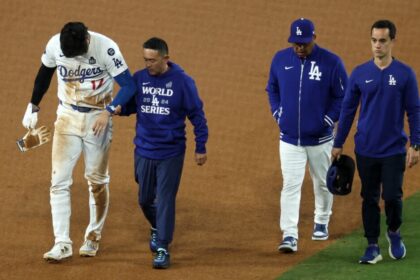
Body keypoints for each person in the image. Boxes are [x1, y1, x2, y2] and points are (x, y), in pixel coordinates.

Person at [21, 22, 136, 262]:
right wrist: (33, 104)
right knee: (58, 181)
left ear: (86, 40)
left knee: (96, 181)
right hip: (67, 117)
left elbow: (129, 84)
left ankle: (93, 236)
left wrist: (111, 109)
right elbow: (45, 73)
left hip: (98, 118)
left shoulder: (106, 47)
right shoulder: (55, 44)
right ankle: (62, 243)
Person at [332, 19, 420, 264]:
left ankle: (393, 232)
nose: (377, 45)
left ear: (392, 41)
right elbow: (348, 110)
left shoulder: (404, 74)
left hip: (393, 150)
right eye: (374, 40)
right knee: (369, 197)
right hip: (366, 149)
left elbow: (414, 110)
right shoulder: (360, 73)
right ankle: (372, 245)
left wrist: (415, 144)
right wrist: (338, 143)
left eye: (382, 40)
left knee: (392, 196)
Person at [118, 37, 208, 269]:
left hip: (171, 152)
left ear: (165, 59)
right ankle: (157, 226)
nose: (148, 64)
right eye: (145, 60)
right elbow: (130, 107)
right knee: (144, 199)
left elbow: (197, 115)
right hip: (144, 149)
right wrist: (118, 108)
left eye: (152, 60)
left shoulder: (183, 82)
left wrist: (201, 146)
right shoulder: (139, 78)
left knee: (166, 199)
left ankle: (163, 248)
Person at [265, 18, 348, 253]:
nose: (299, 48)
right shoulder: (281, 59)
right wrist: (277, 112)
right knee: (290, 185)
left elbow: (343, 96)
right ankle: (289, 234)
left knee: (322, 182)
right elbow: (272, 87)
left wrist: (328, 120)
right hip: (290, 138)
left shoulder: (331, 63)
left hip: (320, 139)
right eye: (296, 43)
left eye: (304, 43)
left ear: (314, 37)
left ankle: (321, 220)